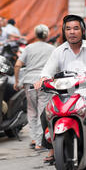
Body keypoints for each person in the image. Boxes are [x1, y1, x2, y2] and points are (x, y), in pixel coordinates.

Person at [34, 14, 86, 163]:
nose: (72, 32)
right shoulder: (59, 51)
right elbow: (47, 71)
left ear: (82, 31)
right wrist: (42, 80)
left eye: (76, 28)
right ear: (64, 32)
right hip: (65, 96)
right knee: (46, 114)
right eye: (68, 29)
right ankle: (51, 146)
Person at [14, 24, 55, 152]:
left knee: (32, 111)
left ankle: (34, 139)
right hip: (44, 82)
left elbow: (17, 65)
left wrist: (16, 81)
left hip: (29, 82)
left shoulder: (28, 48)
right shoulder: (52, 49)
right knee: (42, 111)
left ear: (36, 34)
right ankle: (39, 142)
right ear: (47, 35)